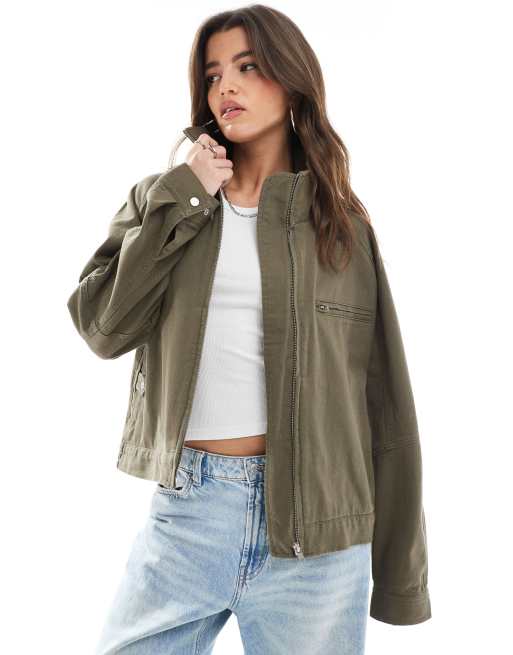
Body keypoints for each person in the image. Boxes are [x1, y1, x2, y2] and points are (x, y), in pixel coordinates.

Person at [67, 5, 431, 654]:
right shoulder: (166, 199)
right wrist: (186, 193)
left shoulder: (340, 227)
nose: (225, 87)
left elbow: (385, 401)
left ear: (291, 82)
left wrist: (402, 577)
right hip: (191, 513)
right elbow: (103, 328)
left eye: (248, 67)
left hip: (319, 530)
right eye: (212, 75)